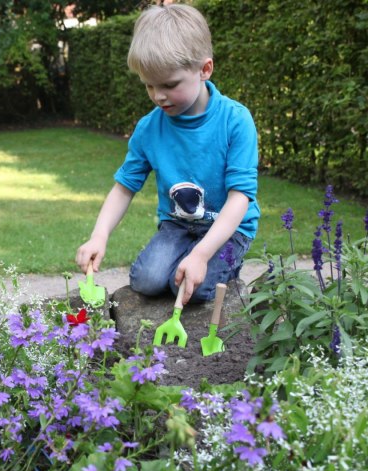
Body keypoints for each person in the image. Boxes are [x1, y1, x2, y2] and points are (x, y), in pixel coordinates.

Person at [76, 3, 260, 305]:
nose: (158, 95)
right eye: (148, 85)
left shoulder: (235, 121)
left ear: (204, 69)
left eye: (169, 85)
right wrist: (99, 235)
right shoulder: (149, 128)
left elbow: (240, 198)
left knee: (193, 289)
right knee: (146, 281)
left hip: (229, 228)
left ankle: (223, 265)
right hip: (178, 224)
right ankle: (189, 257)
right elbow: (124, 188)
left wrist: (201, 254)